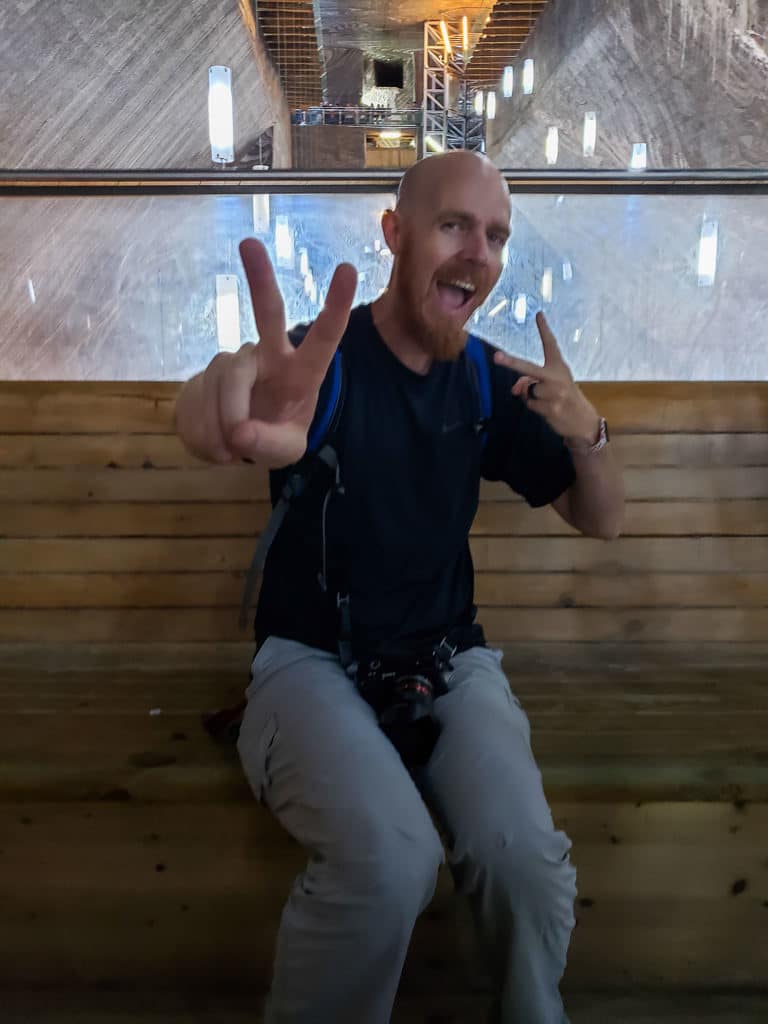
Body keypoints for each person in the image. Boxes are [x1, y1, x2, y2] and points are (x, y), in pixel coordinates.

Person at [175, 150, 624, 1024]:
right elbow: (223, 406)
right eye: (454, 225)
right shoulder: (325, 366)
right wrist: (222, 408)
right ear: (395, 234)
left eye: (495, 236)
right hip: (311, 664)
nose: (478, 254)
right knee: (390, 861)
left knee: (523, 859)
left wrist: (588, 431)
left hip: (449, 660)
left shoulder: (489, 383)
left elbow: (602, 518)